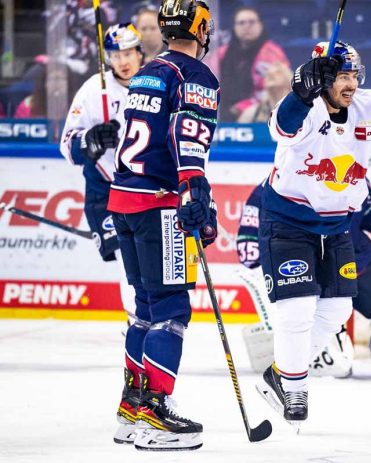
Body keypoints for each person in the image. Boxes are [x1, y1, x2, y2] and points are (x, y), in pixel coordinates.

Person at [256, 40, 371, 424]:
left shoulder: (370, 106)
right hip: (287, 220)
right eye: (340, 75)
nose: (349, 83)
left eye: (353, 74)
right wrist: (301, 91)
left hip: (337, 225)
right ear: (321, 79)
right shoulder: (305, 106)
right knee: (298, 307)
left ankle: (281, 374)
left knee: (336, 309)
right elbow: (281, 130)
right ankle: (296, 389)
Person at [107, 0, 218, 451]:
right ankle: (154, 414)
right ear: (201, 30)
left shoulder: (150, 70)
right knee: (171, 310)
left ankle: (131, 408)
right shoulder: (195, 74)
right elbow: (186, 135)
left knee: (145, 307)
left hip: (124, 199)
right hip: (159, 205)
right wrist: (196, 195)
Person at [236, 180, 371, 379]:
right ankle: (285, 347)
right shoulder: (272, 188)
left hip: (358, 265)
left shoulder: (350, 177)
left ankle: (289, 346)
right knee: (332, 364)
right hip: (307, 276)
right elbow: (249, 251)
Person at [59, 24, 143, 326]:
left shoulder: (155, 83)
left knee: (148, 259)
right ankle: (135, 324)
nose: (123, 60)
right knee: (125, 257)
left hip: (144, 188)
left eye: (128, 52)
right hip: (105, 190)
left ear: (139, 52)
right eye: (115, 54)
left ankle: (149, 320)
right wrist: (90, 141)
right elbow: (67, 147)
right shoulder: (94, 89)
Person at [214, 7, 290, 121]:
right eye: (241, 23)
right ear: (234, 27)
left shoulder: (271, 53)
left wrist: (241, 107)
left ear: (260, 25)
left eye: (252, 22)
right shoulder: (222, 52)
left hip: (256, 110)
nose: (247, 26)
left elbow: (273, 91)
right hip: (222, 108)